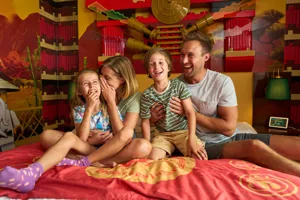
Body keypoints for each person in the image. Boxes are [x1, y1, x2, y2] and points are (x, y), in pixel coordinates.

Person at [150, 31, 300, 177]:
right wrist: (153, 118)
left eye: (190, 56)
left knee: (295, 144)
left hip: (233, 137)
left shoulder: (221, 82)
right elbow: (164, 127)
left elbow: (229, 128)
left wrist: (189, 113)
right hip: (203, 145)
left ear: (205, 57)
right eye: (182, 55)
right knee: (254, 146)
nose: (184, 61)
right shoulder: (172, 86)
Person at [0, 68, 151, 193]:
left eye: (95, 82)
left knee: (138, 140)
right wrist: (90, 109)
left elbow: (121, 135)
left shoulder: (110, 106)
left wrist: (111, 109)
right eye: (86, 84)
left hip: (109, 149)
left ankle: (85, 161)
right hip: (88, 147)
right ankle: (30, 173)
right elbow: (82, 137)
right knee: (49, 135)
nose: (92, 87)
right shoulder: (79, 109)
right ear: (79, 92)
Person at [140, 47, 207, 160]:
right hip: (162, 135)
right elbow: (145, 122)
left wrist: (191, 139)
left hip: (183, 133)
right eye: (152, 64)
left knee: (199, 157)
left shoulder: (178, 86)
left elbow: (190, 112)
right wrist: (147, 145)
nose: (157, 67)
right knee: (152, 159)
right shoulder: (146, 95)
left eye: (161, 63)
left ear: (168, 67)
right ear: (148, 70)